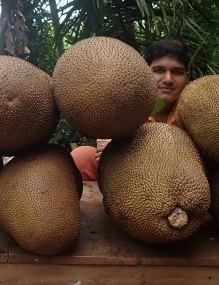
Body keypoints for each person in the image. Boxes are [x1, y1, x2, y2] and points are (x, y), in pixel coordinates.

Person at [70, 38, 191, 181]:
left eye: (177, 72)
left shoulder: (193, 108)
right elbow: (107, 145)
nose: (168, 79)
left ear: (187, 77)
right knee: (82, 156)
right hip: (123, 170)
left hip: (177, 175)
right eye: (159, 70)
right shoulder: (126, 101)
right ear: (145, 74)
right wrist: (110, 150)